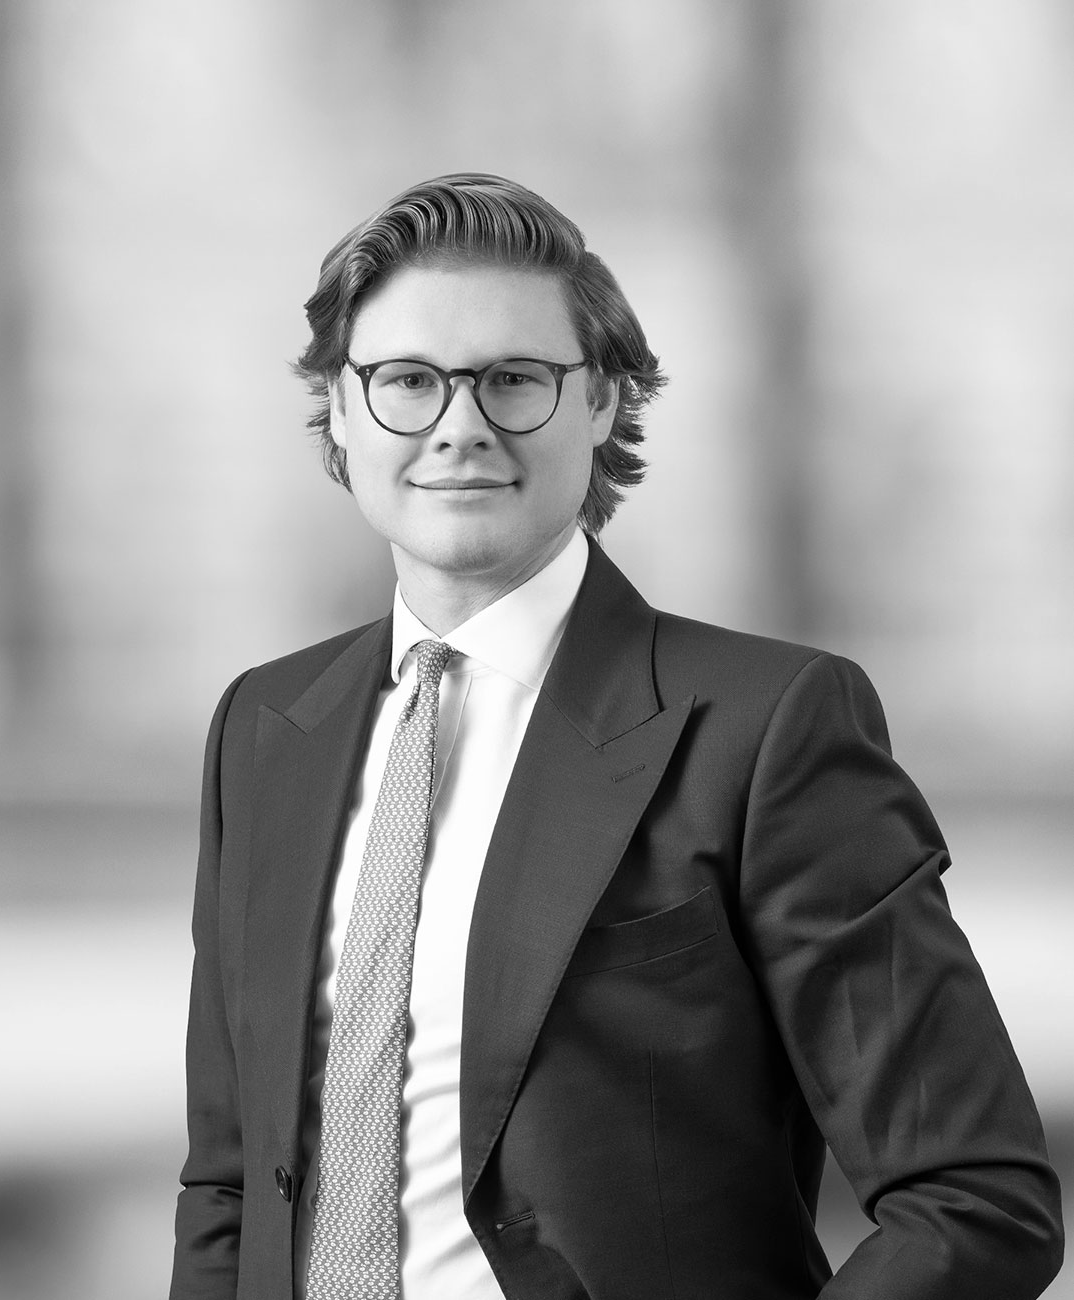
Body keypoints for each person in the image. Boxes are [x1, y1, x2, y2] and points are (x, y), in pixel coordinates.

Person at [169, 173, 1063, 1300]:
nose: (459, 426)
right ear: (339, 412)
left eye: (514, 379)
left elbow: (973, 1198)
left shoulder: (766, 728)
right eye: (407, 381)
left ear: (598, 401)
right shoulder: (264, 728)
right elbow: (230, 1184)